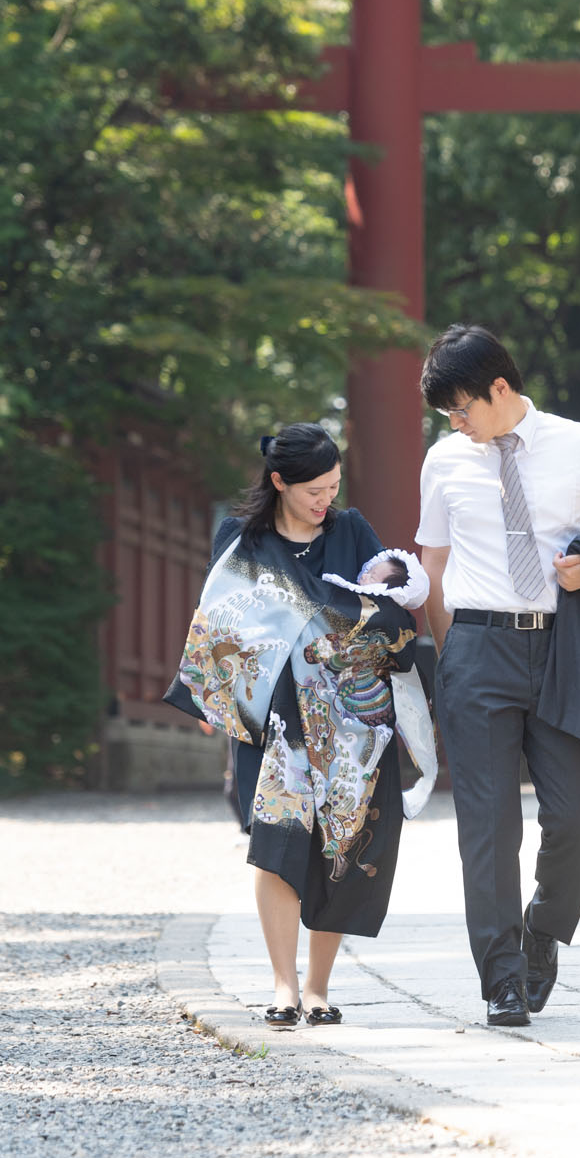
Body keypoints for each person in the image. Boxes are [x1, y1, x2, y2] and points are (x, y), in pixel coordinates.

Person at [165, 424, 438, 1031]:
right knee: (275, 848)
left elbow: (390, 604)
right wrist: (222, 697)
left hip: (350, 723)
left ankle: (318, 986)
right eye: (313, 490)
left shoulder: (352, 530)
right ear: (279, 481)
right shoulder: (242, 539)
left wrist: (342, 614)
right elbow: (223, 622)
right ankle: (283, 985)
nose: (325, 501)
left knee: (341, 846)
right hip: (273, 726)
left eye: (333, 487)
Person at [416, 324, 580, 1028]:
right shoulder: (444, 460)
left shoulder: (579, 444)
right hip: (478, 648)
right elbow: (431, 565)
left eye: (462, 408)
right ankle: (501, 976)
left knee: (576, 816)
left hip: (565, 649)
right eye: (446, 417)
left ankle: (543, 932)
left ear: (499, 387)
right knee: (487, 828)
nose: (457, 425)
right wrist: (448, 656)